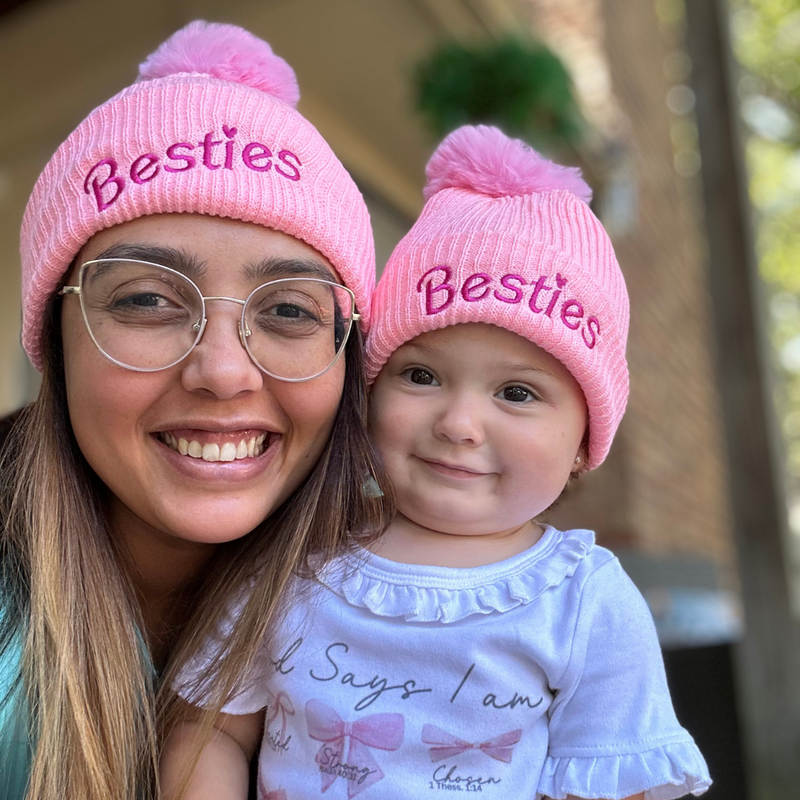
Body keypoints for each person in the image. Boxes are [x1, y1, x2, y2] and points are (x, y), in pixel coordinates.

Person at [167, 125, 713, 800]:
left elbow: (611, 781)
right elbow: (211, 728)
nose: (457, 424)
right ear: (367, 393)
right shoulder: (292, 561)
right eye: (421, 376)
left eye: (517, 393)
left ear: (582, 442)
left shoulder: (582, 605)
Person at [0, 20, 391, 800]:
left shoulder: (436, 612)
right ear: (56, 338)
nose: (222, 372)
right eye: (145, 300)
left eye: (288, 312)